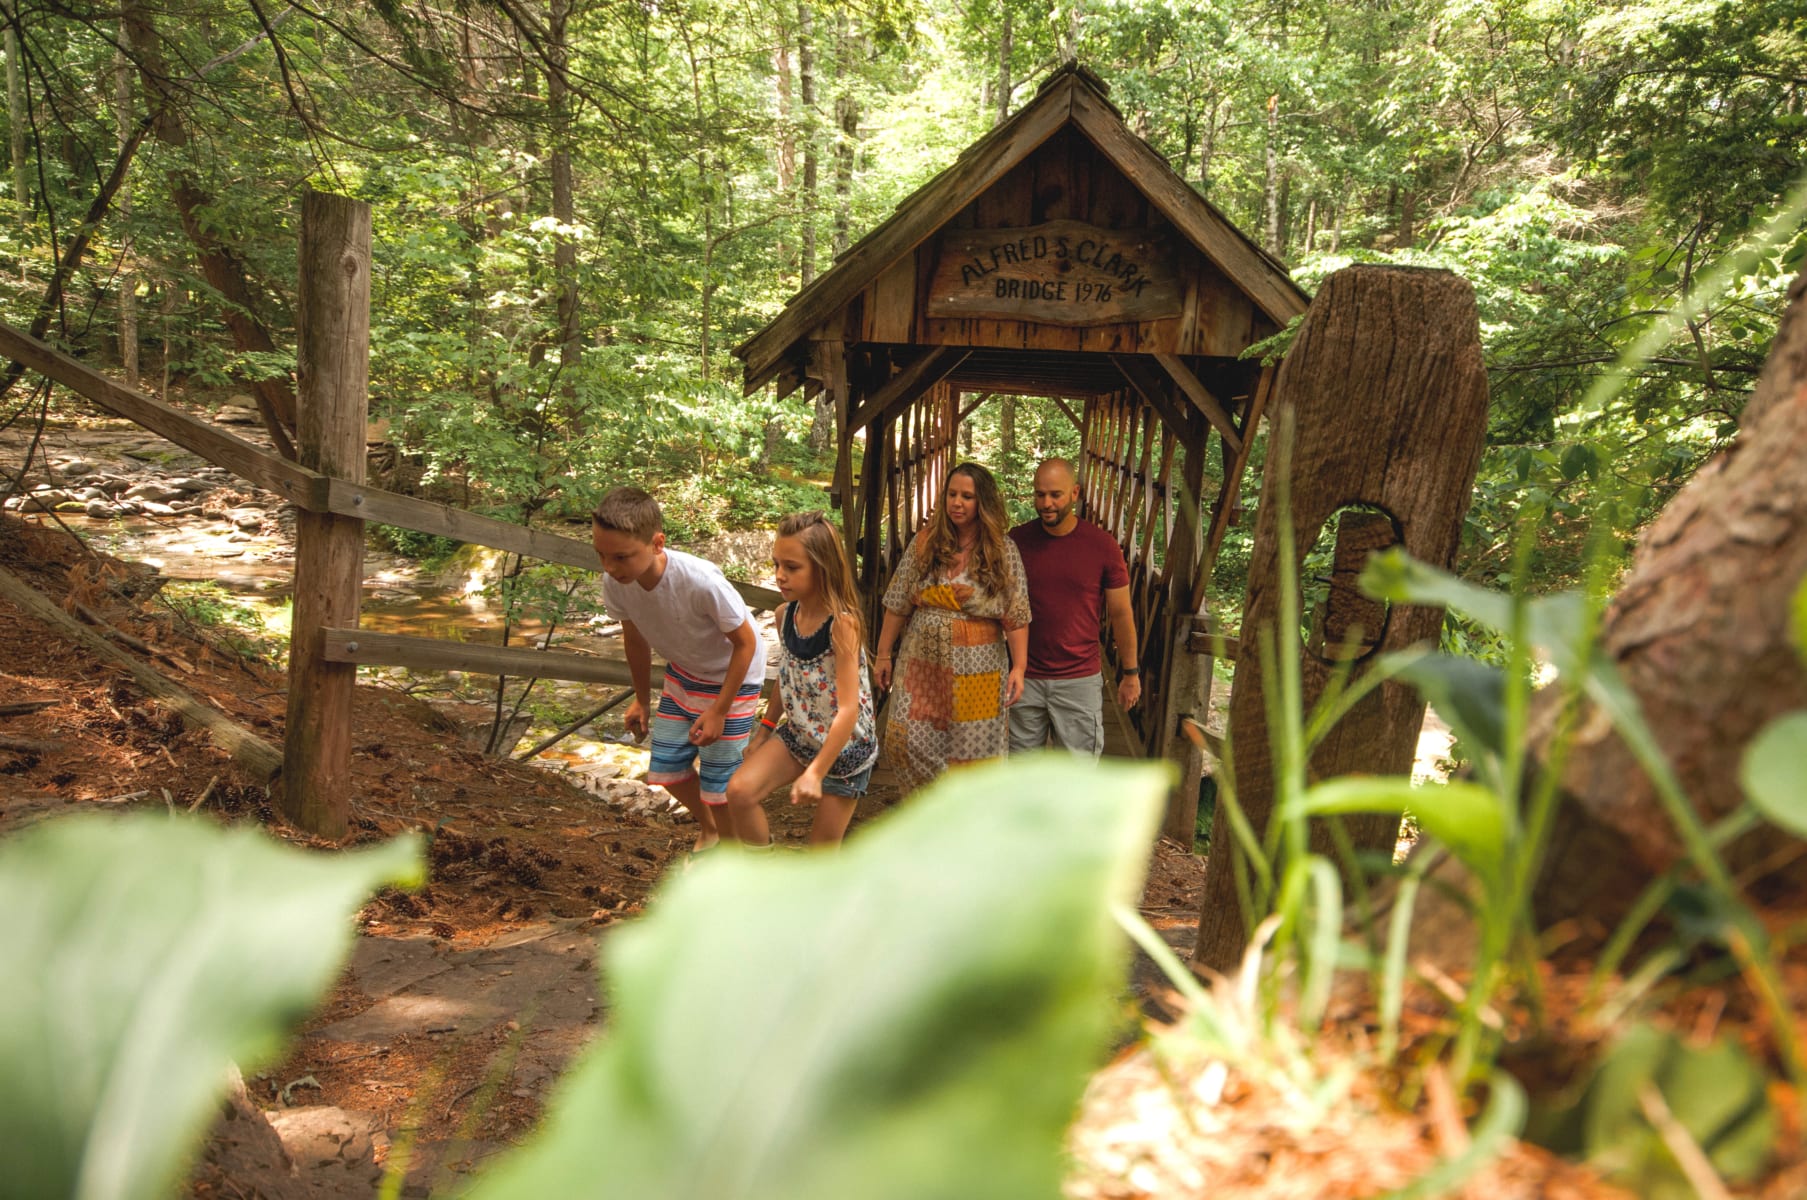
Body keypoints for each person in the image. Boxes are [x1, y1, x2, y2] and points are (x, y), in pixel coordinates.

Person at [591, 486, 766, 851]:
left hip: (732, 677)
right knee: (667, 770)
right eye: (601, 555)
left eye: (621, 557)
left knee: (721, 782)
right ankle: (712, 830)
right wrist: (640, 699)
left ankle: (734, 857)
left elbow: (746, 642)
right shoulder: (616, 583)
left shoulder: (699, 581)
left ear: (657, 543)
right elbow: (635, 640)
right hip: (685, 672)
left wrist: (719, 710)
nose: (609, 567)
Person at [873, 462, 1032, 792]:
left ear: (982, 502)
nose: (957, 502)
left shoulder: (1003, 550)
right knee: (906, 741)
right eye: (952, 494)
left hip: (980, 666)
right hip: (922, 665)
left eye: (968, 496)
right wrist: (883, 654)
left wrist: (1019, 666)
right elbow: (898, 600)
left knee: (973, 753)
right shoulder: (925, 544)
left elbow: (1015, 613)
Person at [725, 512, 879, 847]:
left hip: (845, 750)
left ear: (822, 568)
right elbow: (789, 676)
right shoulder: (785, 614)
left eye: (792, 567)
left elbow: (849, 710)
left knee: (820, 858)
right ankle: (763, 877)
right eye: (776, 564)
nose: (780, 576)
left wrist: (815, 773)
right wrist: (764, 729)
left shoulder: (842, 625)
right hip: (800, 735)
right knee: (738, 792)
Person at [1007, 457, 1140, 756]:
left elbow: (1121, 613)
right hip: (1024, 677)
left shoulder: (1102, 546)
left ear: (1075, 493)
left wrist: (1130, 673)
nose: (1046, 503)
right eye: (1040, 494)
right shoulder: (1016, 541)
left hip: (1078, 680)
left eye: (1056, 494)